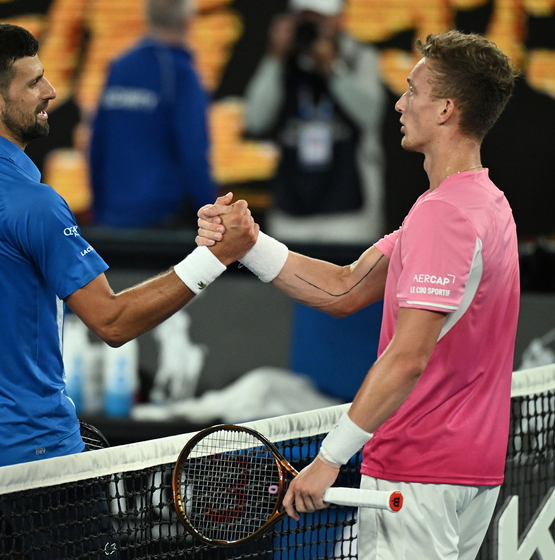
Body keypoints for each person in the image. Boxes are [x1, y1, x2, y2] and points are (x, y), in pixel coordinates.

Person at [0, 22, 255, 558]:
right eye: (34, 83)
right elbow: (111, 321)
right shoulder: (34, 204)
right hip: (38, 462)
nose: (50, 92)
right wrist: (214, 259)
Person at [199, 30, 519, 560]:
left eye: (412, 91)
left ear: (444, 109)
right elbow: (345, 287)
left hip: (416, 474)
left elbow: (407, 360)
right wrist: (248, 245)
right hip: (468, 471)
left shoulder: (445, 215)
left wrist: (329, 458)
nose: (399, 102)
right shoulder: (484, 203)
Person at [243, 0, 385, 244]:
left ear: (339, 19)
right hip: (292, 210)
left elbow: (371, 114)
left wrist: (332, 67)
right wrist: (275, 57)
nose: (314, 26)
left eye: (321, 18)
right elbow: (254, 119)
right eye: (306, 18)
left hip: (349, 212)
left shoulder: (359, 56)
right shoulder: (283, 60)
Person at [88, 0, 218, 229]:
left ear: (146, 17)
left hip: (113, 217)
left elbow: (97, 144)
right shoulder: (180, 73)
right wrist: (212, 217)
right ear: (188, 21)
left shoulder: (120, 67)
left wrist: (99, 210)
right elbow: (193, 151)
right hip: (162, 222)